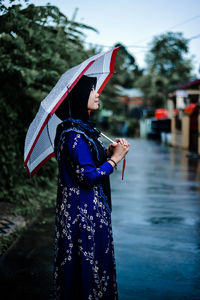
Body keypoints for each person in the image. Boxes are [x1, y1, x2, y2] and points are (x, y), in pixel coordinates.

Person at [53, 75, 129, 300]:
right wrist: (115, 160)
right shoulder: (74, 135)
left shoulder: (80, 130)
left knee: (89, 266)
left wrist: (107, 154)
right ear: (78, 96)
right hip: (83, 215)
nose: (97, 94)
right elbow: (87, 176)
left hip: (87, 211)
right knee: (86, 268)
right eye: (92, 90)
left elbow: (86, 163)